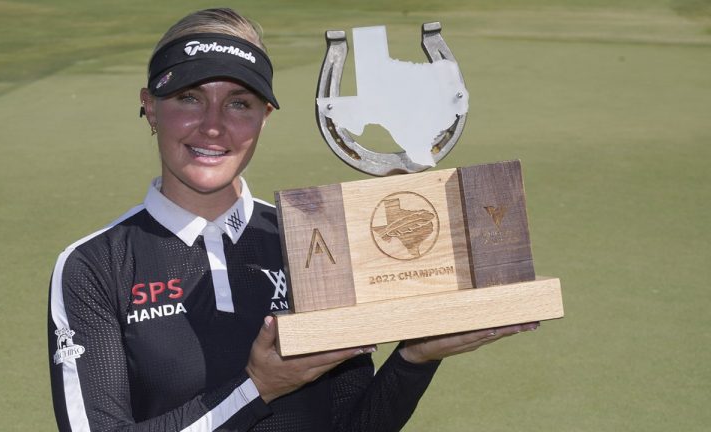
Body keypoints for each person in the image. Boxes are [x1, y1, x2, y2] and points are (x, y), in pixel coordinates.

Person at [47, 7, 538, 432]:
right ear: (150, 106)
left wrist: (415, 358)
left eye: (239, 103)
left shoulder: (311, 239)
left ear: (264, 117)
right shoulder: (95, 266)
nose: (214, 124)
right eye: (189, 97)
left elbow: (352, 423)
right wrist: (256, 389)